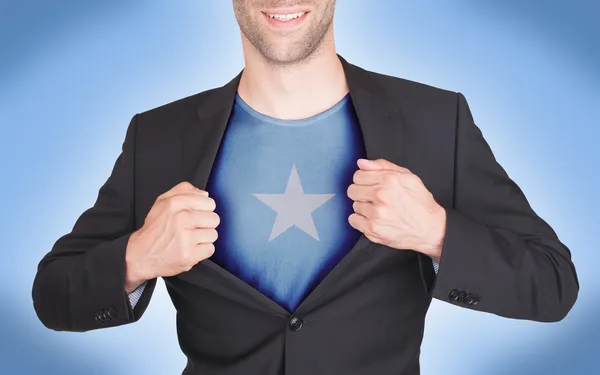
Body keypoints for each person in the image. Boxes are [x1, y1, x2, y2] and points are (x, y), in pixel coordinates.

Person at [31, 1, 579, 374]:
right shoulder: (157, 136)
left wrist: (437, 233)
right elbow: (53, 295)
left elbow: (553, 283)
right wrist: (137, 257)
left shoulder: (437, 121)